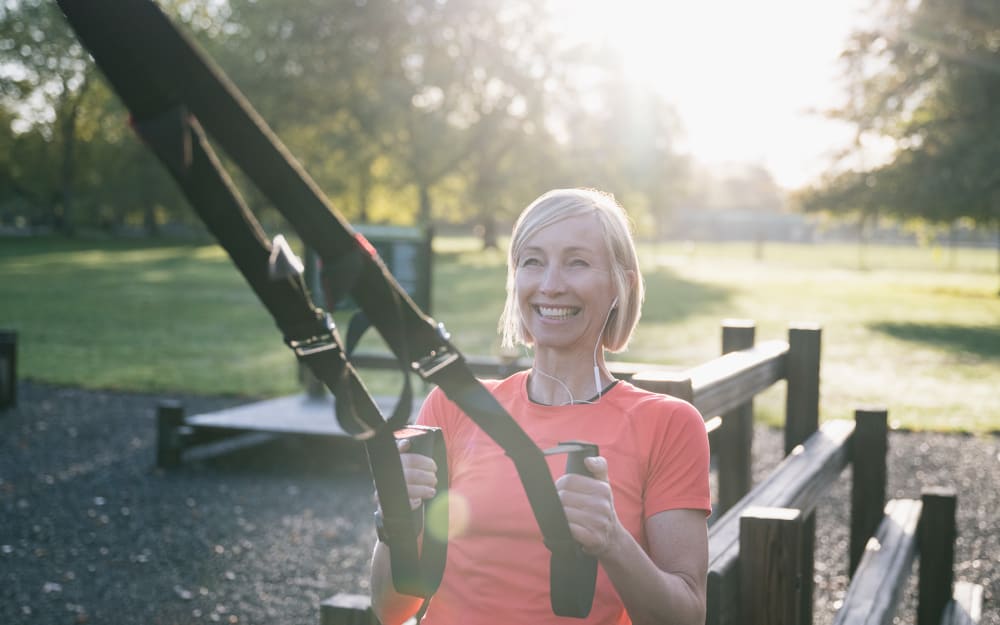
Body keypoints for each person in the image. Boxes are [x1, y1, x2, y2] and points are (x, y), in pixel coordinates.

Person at [370, 188, 711, 625]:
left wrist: (612, 541)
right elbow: (391, 610)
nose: (551, 284)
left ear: (620, 285)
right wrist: (396, 522)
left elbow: (686, 617)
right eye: (533, 261)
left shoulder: (667, 424)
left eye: (577, 262)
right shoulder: (454, 407)